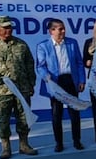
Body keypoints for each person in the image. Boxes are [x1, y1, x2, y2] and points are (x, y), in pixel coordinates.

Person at [0, 15, 38, 159]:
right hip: (2, 90)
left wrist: (31, 84)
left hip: (22, 89)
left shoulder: (21, 44)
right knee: (3, 120)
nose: (9, 30)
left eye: (10, 27)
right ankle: (6, 148)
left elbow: (29, 64)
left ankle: (24, 145)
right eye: (5, 27)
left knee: (24, 118)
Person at [35, 18, 86, 152]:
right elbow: (40, 66)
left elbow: (79, 63)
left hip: (70, 80)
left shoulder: (72, 43)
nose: (63, 31)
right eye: (60, 29)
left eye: (63, 29)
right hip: (55, 82)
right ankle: (59, 143)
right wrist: (47, 77)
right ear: (51, 31)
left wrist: (82, 80)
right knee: (57, 114)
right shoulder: (43, 46)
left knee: (74, 113)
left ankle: (77, 140)